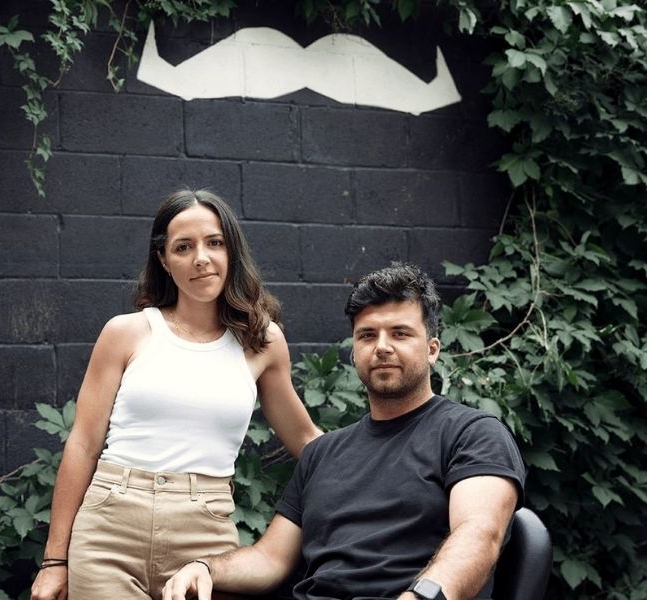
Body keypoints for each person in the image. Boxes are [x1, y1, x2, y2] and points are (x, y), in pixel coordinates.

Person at [163, 263, 527, 600]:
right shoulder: (322, 453)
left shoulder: (473, 433)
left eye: (400, 333)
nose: (382, 347)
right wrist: (206, 567)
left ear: (432, 350)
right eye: (367, 335)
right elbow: (270, 558)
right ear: (354, 352)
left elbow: (479, 534)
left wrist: (420, 596)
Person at [30, 189, 321, 600]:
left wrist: (379, 467)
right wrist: (55, 560)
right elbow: (83, 443)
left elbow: (306, 439)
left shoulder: (262, 341)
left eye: (214, 243)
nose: (201, 258)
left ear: (231, 251)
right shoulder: (125, 332)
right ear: (165, 261)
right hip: (109, 528)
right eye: (183, 247)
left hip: (204, 536)